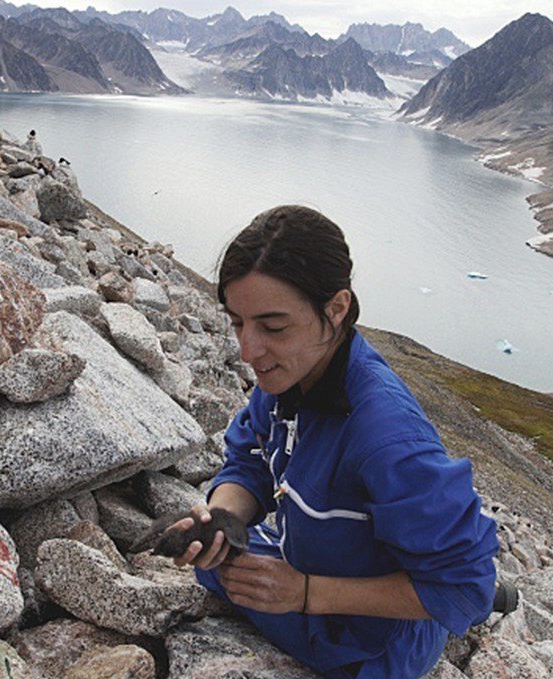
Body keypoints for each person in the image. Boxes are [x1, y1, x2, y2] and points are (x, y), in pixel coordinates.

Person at [170, 205, 500, 678]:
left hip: (372, 642)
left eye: (273, 326)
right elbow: (250, 460)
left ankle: (452, 613)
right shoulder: (290, 376)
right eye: (237, 322)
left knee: (453, 592)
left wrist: (305, 593)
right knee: (216, 564)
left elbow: (469, 587)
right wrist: (222, 519)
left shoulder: (388, 438)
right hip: (301, 560)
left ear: (337, 308)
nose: (247, 351)